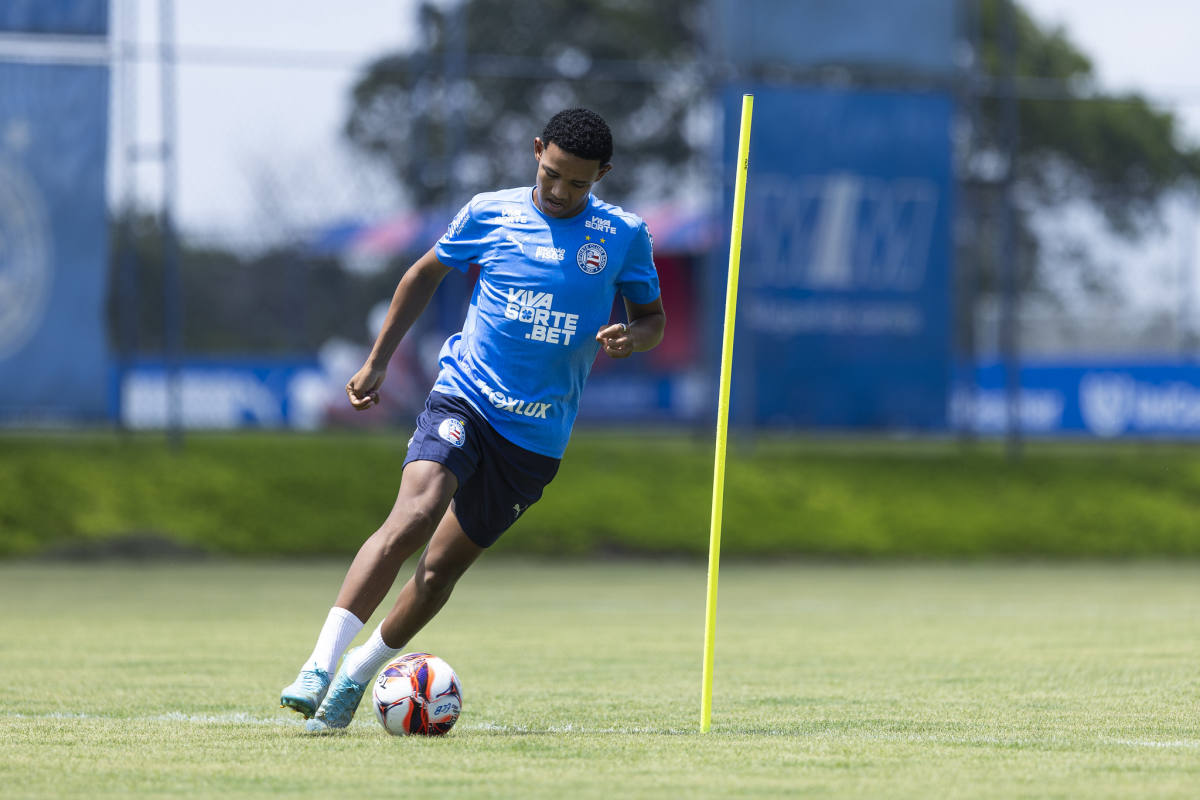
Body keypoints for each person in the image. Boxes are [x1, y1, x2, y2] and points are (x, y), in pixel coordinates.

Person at [280, 108, 666, 732]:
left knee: (437, 572)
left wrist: (633, 338)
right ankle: (318, 665)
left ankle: (358, 672)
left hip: (536, 437)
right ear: (536, 151)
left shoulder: (624, 235)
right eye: (551, 174)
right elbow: (420, 275)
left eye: (579, 183)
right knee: (413, 515)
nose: (561, 192)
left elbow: (653, 319)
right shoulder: (491, 211)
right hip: (467, 396)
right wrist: (377, 363)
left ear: (603, 175)